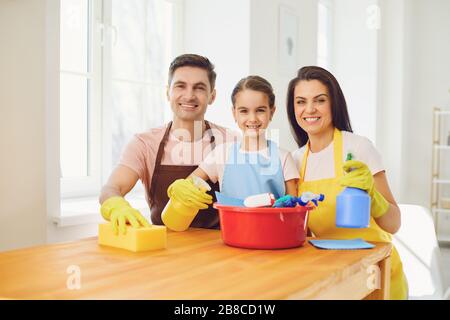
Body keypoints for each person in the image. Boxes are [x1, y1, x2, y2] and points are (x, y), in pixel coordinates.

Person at [287, 66, 408, 299]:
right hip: (332, 275)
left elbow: (394, 224)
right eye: (301, 102)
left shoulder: (359, 147)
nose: (309, 109)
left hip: (375, 273)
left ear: (334, 103)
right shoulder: (296, 160)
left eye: (319, 100)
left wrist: (373, 197)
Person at [99, 54, 238, 235]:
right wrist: (116, 206)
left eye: (199, 88)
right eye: (180, 86)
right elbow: (111, 188)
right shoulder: (144, 144)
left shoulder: (232, 142)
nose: (189, 96)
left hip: (220, 251)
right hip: (163, 249)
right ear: (168, 92)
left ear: (212, 96)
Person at [168, 75, 299, 204]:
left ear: (272, 112)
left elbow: (294, 207)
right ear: (234, 113)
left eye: (260, 110)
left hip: (273, 226)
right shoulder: (221, 154)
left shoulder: (284, 158)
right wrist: (179, 187)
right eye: (244, 111)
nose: (252, 118)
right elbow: (189, 184)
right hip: (231, 225)